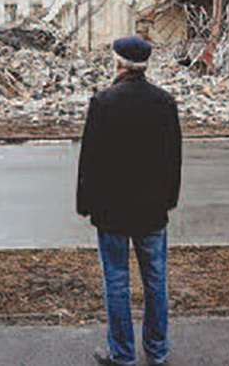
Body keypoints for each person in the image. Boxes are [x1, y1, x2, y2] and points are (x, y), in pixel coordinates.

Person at [77, 36, 182, 366]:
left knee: (117, 285)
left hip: (112, 211)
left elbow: (89, 159)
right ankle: (157, 351)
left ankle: (122, 354)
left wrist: (86, 203)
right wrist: (168, 200)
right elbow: (172, 159)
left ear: (118, 63)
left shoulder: (104, 101)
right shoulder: (164, 102)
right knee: (155, 283)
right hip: (152, 210)